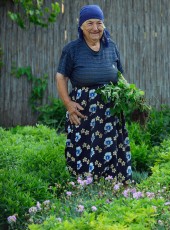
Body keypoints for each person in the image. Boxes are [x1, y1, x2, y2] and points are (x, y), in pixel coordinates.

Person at [55, 4, 132, 184]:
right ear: (81, 26)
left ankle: (115, 188)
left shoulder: (111, 46)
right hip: (84, 113)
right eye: (90, 23)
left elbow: (119, 75)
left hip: (110, 113)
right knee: (85, 152)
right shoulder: (72, 49)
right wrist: (68, 104)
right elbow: (60, 77)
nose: (95, 28)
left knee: (113, 151)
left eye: (99, 23)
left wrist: (131, 92)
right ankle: (85, 190)